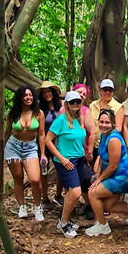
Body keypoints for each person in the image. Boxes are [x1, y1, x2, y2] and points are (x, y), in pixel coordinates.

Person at [86, 109, 128, 236]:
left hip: (124, 176)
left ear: (113, 124)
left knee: (92, 193)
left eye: (107, 122)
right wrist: (98, 173)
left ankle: (102, 225)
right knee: (108, 205)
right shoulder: (104, 135)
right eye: (102, 122)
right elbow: (103, 158)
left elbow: (113, 165)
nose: (104, 125)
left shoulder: (113, 139)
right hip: (114, 174)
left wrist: (99, 180)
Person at [46, 91, 90, 238]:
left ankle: (65, 219)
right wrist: (62, 159)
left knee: (72, 192)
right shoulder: (61, 120)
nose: (76, 104)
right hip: (66, 161)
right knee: (76, 193)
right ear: (67, 104)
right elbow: (47, 140)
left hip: (79, 159)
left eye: (78, 101)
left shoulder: (79, 119)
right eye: (72, 102)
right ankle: (64, 223)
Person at [4, 86, 47, 222]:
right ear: (20, 98)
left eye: (30, 95)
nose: (28, 97)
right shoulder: (12, 114)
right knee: (18, 178)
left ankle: (37, 206)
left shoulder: (38, 113)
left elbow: (41, 135)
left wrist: (43, 154)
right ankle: (22, 206)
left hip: (30, 148)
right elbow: (7, 132)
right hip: (13, 147)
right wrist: (2, 149)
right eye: (25, 95)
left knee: (35, 179)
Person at [60, 84, 97, 218]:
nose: (81, 96)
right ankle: (68, 209)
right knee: (69, 182)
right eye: (78, 92)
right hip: (65, 154)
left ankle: (88, 205)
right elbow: (56, 135)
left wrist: (89, 152)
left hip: (82, 152)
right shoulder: (62, 112)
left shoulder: (85, 112)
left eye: (84, 94)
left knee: (86, 179)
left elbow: (92, 133)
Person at [38, 80, 62, 210]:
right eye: (44, 93)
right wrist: (42, 152)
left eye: (49, 92)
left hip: (60, 144)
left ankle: (58, 195)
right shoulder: (40, 110)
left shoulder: (62, 106)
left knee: (61, 170)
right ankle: (45, 198)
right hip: (44, 144)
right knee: (44, 170)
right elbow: (40, 132)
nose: (47, 94)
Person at [89, 78, 124, 161]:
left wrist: (106, 134)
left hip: (108, 144)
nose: (107, 92)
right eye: (105, 90)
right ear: (100, 91)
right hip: (93, 144)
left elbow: (118, 128)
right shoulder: (93, 105)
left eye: (110, 90)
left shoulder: (118, 107)